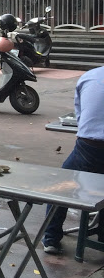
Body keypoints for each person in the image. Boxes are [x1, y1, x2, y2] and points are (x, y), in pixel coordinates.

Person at [42, 66, 104, 254]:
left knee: (61, 186)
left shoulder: (89, 76)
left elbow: (80, 116)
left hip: (87, 146)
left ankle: (51, 238)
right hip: (90, 148)